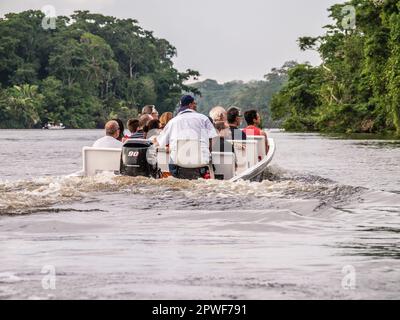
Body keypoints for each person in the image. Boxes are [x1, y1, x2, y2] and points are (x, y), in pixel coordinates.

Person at [153, 95, 218, 179]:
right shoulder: (204, 119)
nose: (196, 106)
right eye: (195, 104)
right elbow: (214, 139)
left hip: (177, 165)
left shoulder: (172, 122)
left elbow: (159, 143)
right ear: (190, 105)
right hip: (202, 164)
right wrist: (208, 153)